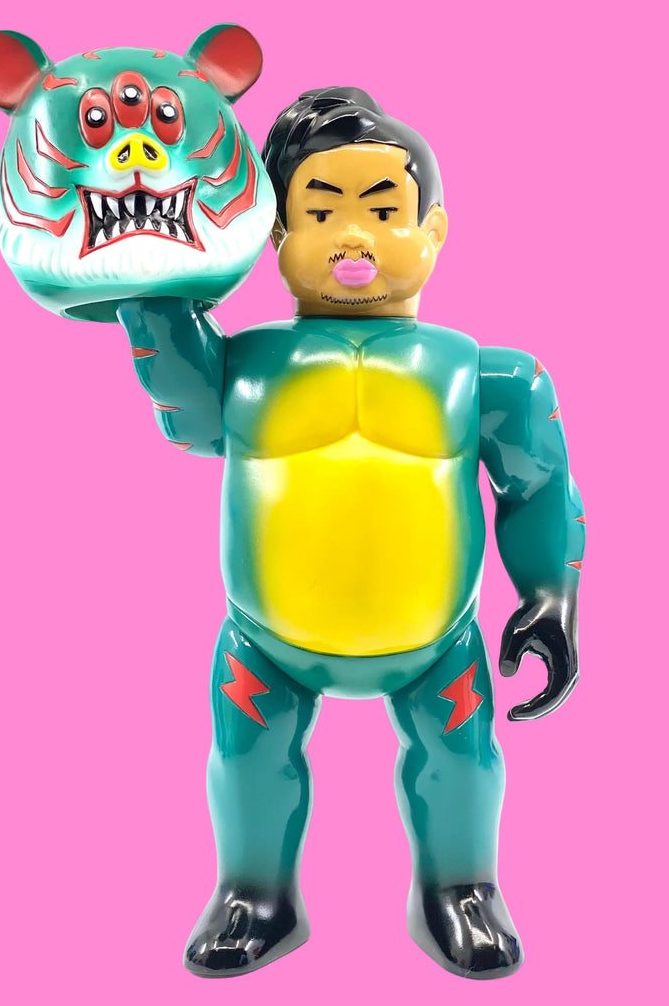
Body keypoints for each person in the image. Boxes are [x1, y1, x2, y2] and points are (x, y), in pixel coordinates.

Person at [168, 87, 585, 978]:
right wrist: (155, 298)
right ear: (278, 238)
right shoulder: (240, 366)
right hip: (265, 643)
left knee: (460, 761)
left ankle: (459, 888)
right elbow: (179, 397)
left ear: (434, 230)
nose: (353, 238)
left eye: (383, 211)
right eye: (322, 213)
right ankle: (255, 894)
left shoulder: (487, 377)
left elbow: (538, 487)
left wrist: (551, 591)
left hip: (436, 644)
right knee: (248, 759)